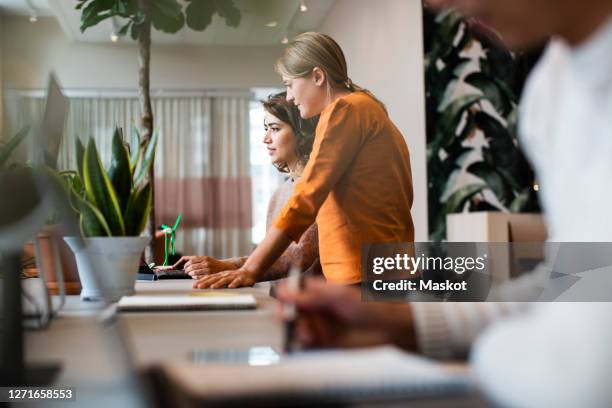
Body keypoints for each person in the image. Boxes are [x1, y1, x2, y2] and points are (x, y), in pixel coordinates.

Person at [278, 1, 612, 407]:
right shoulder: (551, 92)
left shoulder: (349, 110)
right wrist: (407, 324)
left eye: (273, 124)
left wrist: (483, 350)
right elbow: (580, 280)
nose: (436, 3)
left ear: (316, 76)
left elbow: (585, 376)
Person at [194, 32, 415, 289]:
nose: (288, 96)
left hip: (362, 275)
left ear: (318, 77)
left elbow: (305, 199)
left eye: (290, 84)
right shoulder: (368, 110)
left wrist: (249, 270)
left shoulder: (345, 111)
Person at [167, 93, 321, 282]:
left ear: (301, 133)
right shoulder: (279, 193)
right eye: (266, 128)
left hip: (320, 304)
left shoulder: (319, 186)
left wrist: (227, 266)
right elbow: (274, 256)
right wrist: (220, 264)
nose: (266, 138)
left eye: (274, 128)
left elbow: (296, 259)